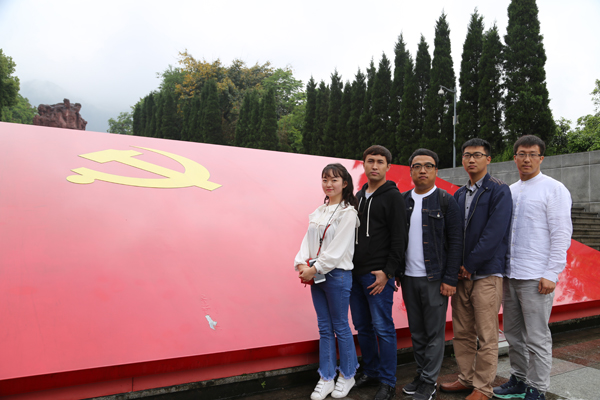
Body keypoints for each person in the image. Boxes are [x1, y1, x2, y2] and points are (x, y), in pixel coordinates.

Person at [493, 135, 572, 400]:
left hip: (537, 277)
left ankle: (537, 387)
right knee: (513, 333)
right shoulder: (510, 191)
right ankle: (519, 378)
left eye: (532, 154)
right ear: (514, 157)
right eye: (522, 154)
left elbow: (561, 234)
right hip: (510, 274)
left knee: (537, 336)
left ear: (541, 158)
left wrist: (551, 273)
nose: (527, 159)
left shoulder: (554, 189)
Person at [440, 139, 512, 400]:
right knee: (462, 332)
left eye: (477, 155)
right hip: (461, 276)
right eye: (467, 155)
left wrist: (469, 265)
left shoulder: (499, 191)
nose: (471, 160)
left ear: (488, 159)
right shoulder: (459, 194)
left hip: (486, 274)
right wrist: (455, 269)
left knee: (486, 334)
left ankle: (483, 387)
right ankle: (466, 378)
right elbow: (453, 235)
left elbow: (494, 234)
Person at [400, 148, 463, 400]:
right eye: (417, 166)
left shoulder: (446, 201)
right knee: (417, 331)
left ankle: (429, 381)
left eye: (428, 165)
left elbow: (456, 242)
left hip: (434, 278)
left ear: (436, 170)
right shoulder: (403, 201)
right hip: (408, 277)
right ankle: (421, 374)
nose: (422, 170)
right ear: (411, 171)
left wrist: (450, 279)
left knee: (434, 333)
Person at [295, 163, 361, 400]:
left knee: (340, 326)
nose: (329, 184)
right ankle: (326, 377)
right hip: (317, 275)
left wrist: (314, 269)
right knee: (324, 327)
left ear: (345, 183)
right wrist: (301, 264)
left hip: (337, 275)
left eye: (334, 180)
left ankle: (347, 374)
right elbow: (307, 241)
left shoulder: (348, 213)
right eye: (325, 179)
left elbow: (337, 249)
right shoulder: (319, 211)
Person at [351, 145, 407, 400]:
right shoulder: (358, 196)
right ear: (363, 164)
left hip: (378, 276)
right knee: (362, 326)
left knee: (383, 328)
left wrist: (388, 272)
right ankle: (371, 371)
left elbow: (399, 238)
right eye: (370, 161)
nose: (374, 165)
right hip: (354, 274)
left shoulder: (393, 197)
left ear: (388, 166)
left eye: (380, 162)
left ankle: (388, 381)